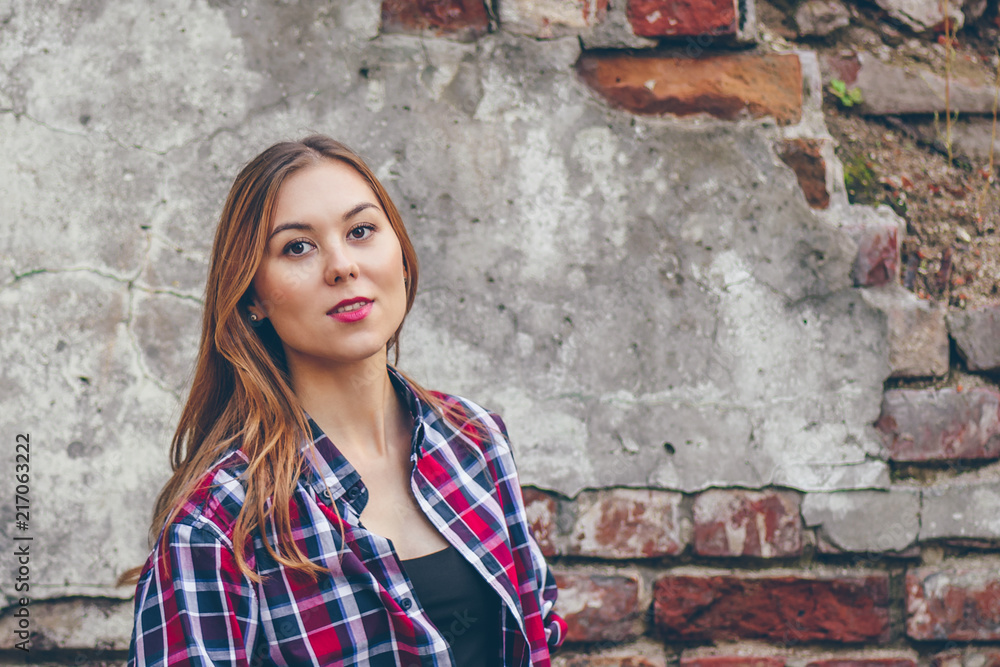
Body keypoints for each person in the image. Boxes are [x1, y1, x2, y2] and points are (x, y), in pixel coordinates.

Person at [120, 135, 566, 666]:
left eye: (361, 231)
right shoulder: (218, 523)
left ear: (399, 254)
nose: (342, 266)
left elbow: (536, 637)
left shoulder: (475, 438)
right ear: (253, 296)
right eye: (297, 247)